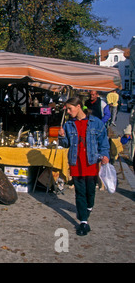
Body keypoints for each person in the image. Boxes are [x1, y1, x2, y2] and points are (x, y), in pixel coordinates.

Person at [58, 97, 110, 236]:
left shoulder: (96, 123)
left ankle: (89, 207)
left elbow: (103, 141)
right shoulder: (69, 125)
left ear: (79, 106)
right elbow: (66, 144)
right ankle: (83, 222)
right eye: (67, 109)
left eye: (70, 108)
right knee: (80, 193)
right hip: (76, 163)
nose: (68, 112)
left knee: (90, 192)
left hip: (91, 162)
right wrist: (62, 137)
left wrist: (105, 155)